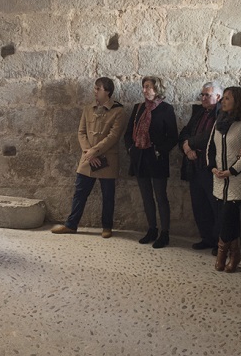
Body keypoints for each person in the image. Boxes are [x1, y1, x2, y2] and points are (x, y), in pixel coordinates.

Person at [51, 77, 127, 238]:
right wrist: (88, 152)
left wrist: (95, 152)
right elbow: (81, 132)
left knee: (108, 195)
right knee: (79, 193)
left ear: (107, 91)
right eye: (95, 88)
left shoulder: (118, 111)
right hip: (88, 158)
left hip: (107, 160)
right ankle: (71, 225)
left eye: (98, 89)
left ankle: (107, 227)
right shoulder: (88, 109)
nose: (95, 92)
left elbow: (113, 136)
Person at [124, 76, 178, 249]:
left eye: (148, 87)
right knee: (146, 196)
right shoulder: (138, 108)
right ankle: (152, 229)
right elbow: (128, 134)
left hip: (156, 158)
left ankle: (165, 233)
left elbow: (173, 137)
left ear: (157, 89)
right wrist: (131, 150)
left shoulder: (166, 109)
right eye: (144, 86)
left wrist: (160, 150)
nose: (145, 90)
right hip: (139, 158)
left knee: (161, 197)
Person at [208, 86, 241, 272]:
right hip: (219, 177)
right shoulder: (218, 122)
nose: (223, 101)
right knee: (228, 217)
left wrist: (232, 170)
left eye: (227, 98)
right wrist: (212, 167)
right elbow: (211, 148)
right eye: (224, 98)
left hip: (237, 179)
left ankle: (222, 253)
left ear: (238, 101)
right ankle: (235, 253)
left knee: (227, 216)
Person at [178, 81, 222, 251]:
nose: (203, 98)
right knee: (199, 204)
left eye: (207, 95)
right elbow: (184, 132)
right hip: (194, 165)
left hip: (211, 166)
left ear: (217, 97)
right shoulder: (199, 112)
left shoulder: (221, 115)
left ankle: (220, 242)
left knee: (215, 205)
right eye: (202, 95)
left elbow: (210, 136)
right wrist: (186, 148)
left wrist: (189, 143)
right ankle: (207, 238)